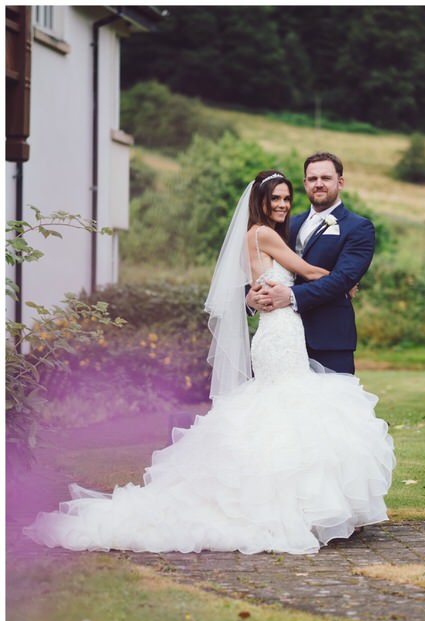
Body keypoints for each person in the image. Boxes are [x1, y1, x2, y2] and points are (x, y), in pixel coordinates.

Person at [23, 170, 395, 554]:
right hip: (280, 332)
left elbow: (264, 282)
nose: (284, 204)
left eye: (286, 198)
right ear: (261, 202)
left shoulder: (277, 232)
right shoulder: (265, 233)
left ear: (338, 181)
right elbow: (305, 272)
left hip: (283, 330)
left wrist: (258, 294)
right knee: (287, 411)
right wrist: (345, 282)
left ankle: (302, 507)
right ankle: (288, 508)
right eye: (276, 199)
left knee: (280, 413)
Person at [248, 152, 374, 375]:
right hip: (282, 336)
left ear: (340, 182)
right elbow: (261, 267)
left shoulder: (358, 227)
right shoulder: (286, 223)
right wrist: (250, 297)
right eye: (312, 179)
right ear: (305, 183)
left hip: (329, 339)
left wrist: (291, 295)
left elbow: (343, 278)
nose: (319, 184)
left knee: (332, 407)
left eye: (325, 178)